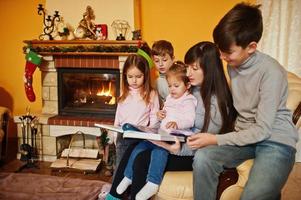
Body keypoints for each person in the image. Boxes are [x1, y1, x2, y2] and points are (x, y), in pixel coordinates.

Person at [186, 3, 299, 200]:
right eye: (220, 50)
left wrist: (215, 139)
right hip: (245, 137)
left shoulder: (271, 72)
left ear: (251, 47)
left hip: (275, 141)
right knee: (204, 158)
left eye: (227, 52)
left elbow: (263, 130)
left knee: (253, 195)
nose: (222, 57)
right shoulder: (233, 65)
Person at [106, 41, 237, 200]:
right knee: (135, 148)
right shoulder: (188, 88)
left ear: (209, 70)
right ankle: (114, 195)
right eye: (188, 67)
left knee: (142, 159)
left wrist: (177, 149)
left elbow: (205, 144)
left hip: (191, 152)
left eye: (194, 68)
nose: (188, 73)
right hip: (177, 140)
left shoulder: (217, 103)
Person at [115, 62, 197, 200]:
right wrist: (160, 115)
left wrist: (178, 123)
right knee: (140, 146)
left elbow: (190, 120)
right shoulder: (171, 98)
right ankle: (128, 176)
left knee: (159, 152)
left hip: (174, 137)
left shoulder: (188, 100)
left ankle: (153, 182)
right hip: (162, 133)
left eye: (176, 86)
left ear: (187, 86)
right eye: (169, 86)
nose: (172, 89)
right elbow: (164, 114)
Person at [114, 54, 160, 170]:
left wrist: (149, 137)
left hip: (140, 136)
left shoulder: (151, 94)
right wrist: (114, 136)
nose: (134, 81)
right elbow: (118, 116)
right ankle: (117, 187)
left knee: (135, 167)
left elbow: (154, 119)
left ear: (145, 75)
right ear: (125, 76)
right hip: (123, 136)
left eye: (138, 76)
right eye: (130, 77)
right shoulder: (123, 93)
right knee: (120, 167)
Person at [151, 40, 175, 104]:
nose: (161, 64)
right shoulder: (156, 83)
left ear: (173, 59)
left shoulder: (180, 76)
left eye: (164, 60)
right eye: (156, 61)